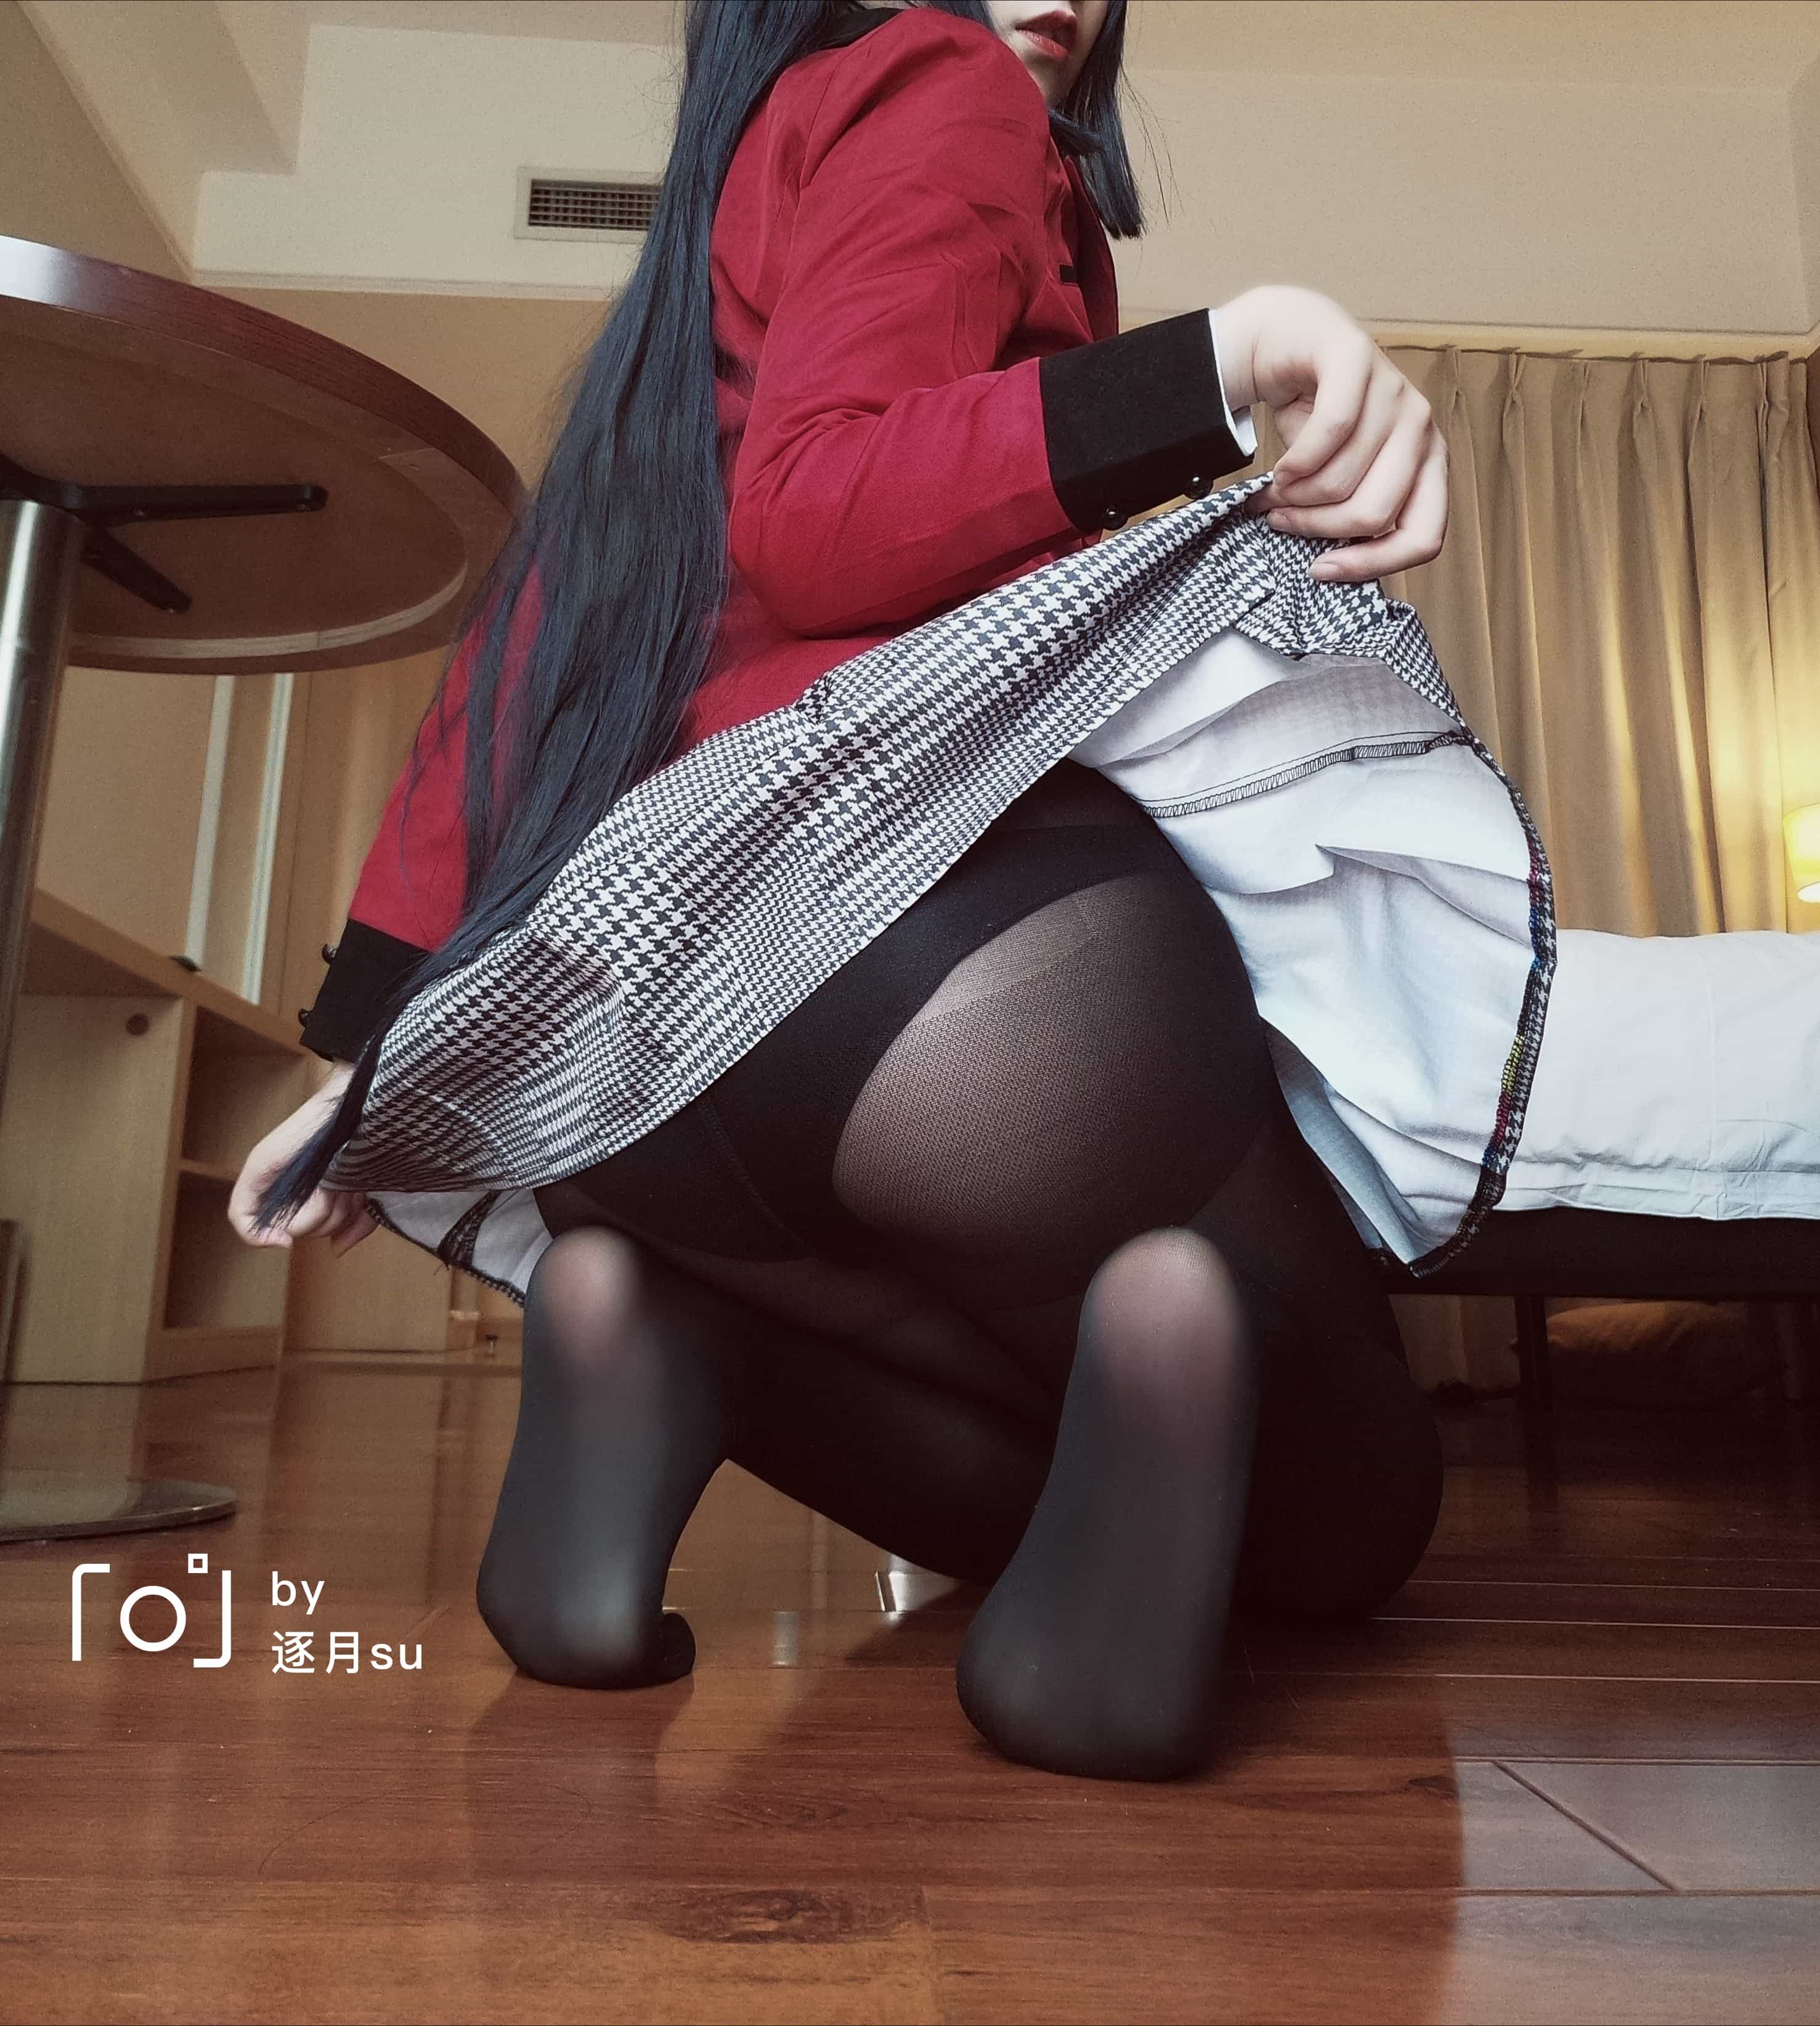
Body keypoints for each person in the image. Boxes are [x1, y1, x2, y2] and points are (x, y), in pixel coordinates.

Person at [224, 0, 1492, 1783]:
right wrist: (1232, 352)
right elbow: (823, 520)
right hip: (937, 970)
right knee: (1355, 1515)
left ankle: (671, 1329)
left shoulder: (733, 208)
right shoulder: (944, 84)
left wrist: (372, 1037)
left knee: (1031, 1410)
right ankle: (1152, 1344)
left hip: (626, 1053)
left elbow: (535, 649)